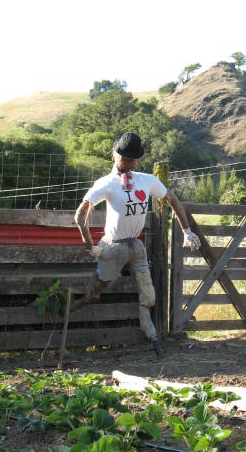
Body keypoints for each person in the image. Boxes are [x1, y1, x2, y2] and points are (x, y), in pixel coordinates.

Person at [74, 131, 200, 345]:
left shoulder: (146, 181)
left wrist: (187, 231)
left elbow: (172, 199)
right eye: (127, 158)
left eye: (132, 159)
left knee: (147, 287)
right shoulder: (107, 183)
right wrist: (89, 245)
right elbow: (80, 216)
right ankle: (82, 301)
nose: (130, 162)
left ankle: (148, 328)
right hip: (113, 246)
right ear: (115, 155)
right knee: (101, 283)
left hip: (135, 245)